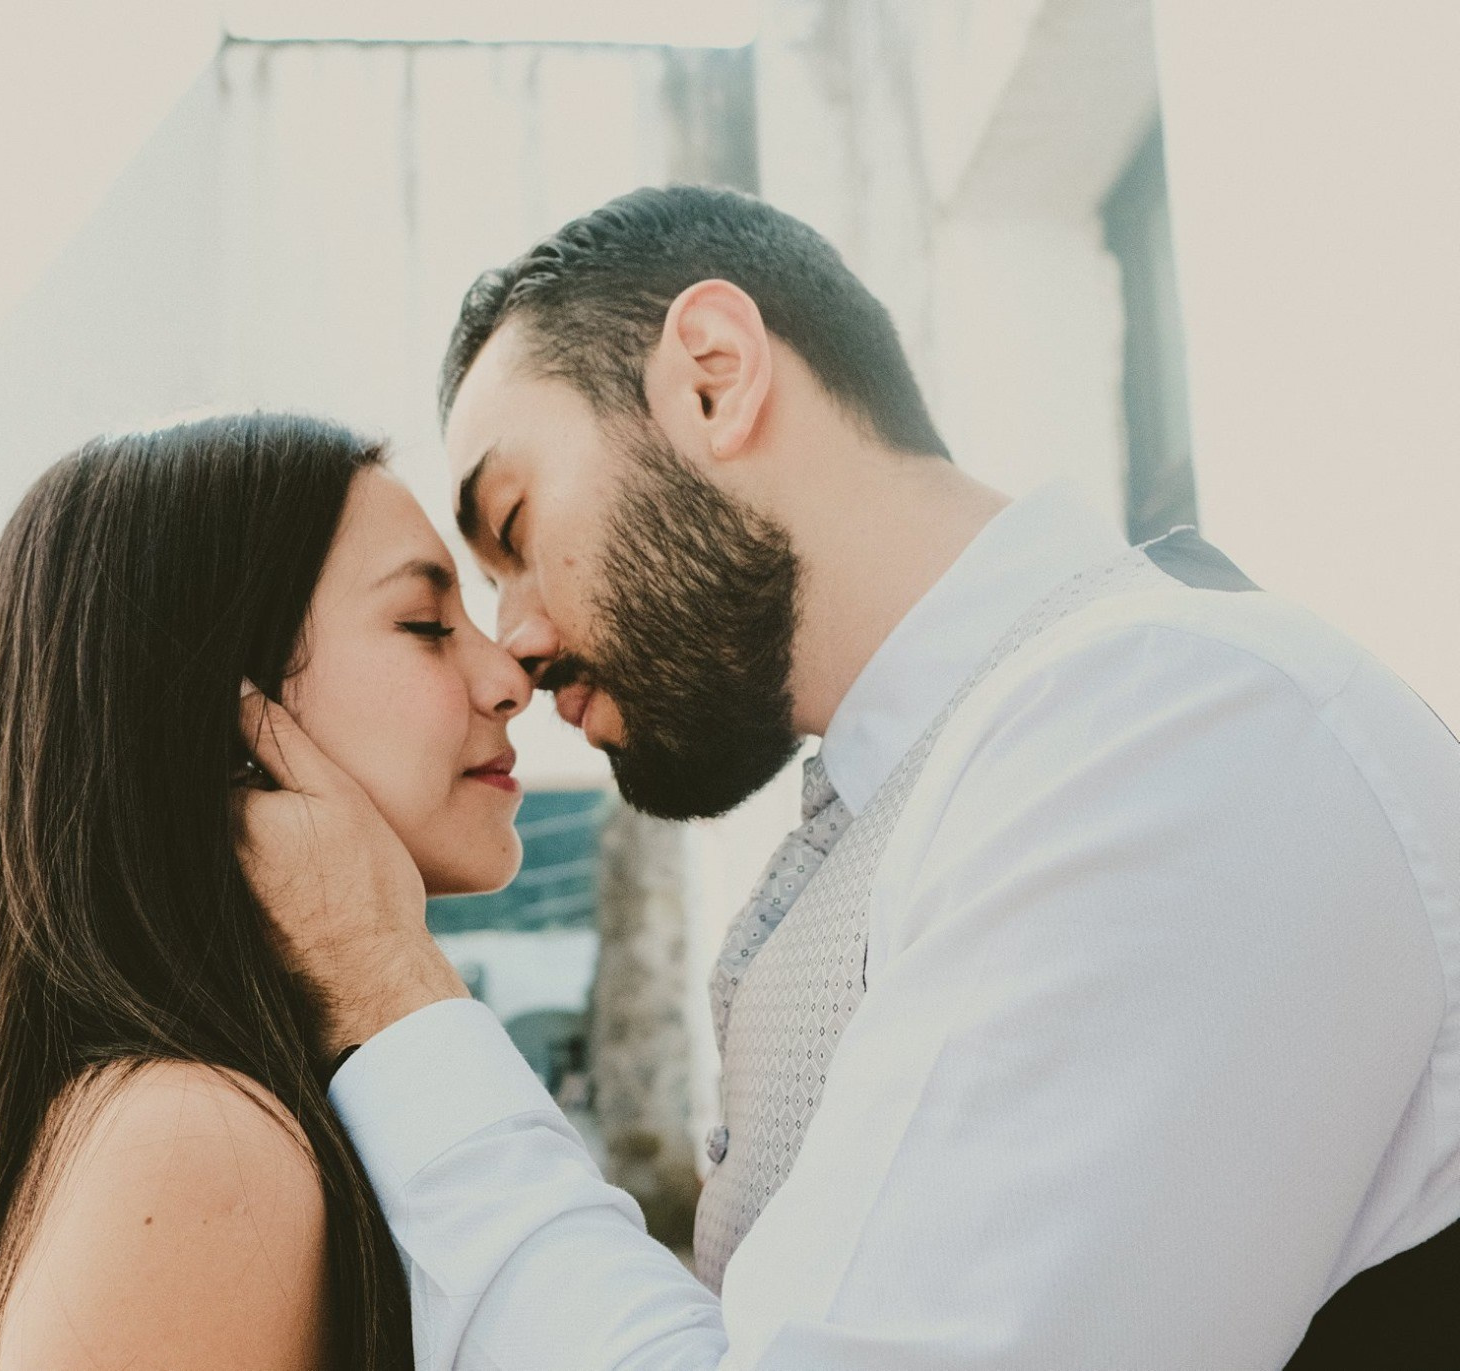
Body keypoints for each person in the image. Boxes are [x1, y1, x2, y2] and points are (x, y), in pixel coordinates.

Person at [237, 186, 1460, 1368]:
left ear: (712, 376)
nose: (514, 640)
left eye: (513, 520)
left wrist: (386, 991)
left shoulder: (1166, 722)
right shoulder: (979, 765)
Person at [0, 413, 521, 1371]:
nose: (506, 674)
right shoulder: (198, 1141)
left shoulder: (231, 1114)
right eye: (426, 625)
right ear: (228, 724)